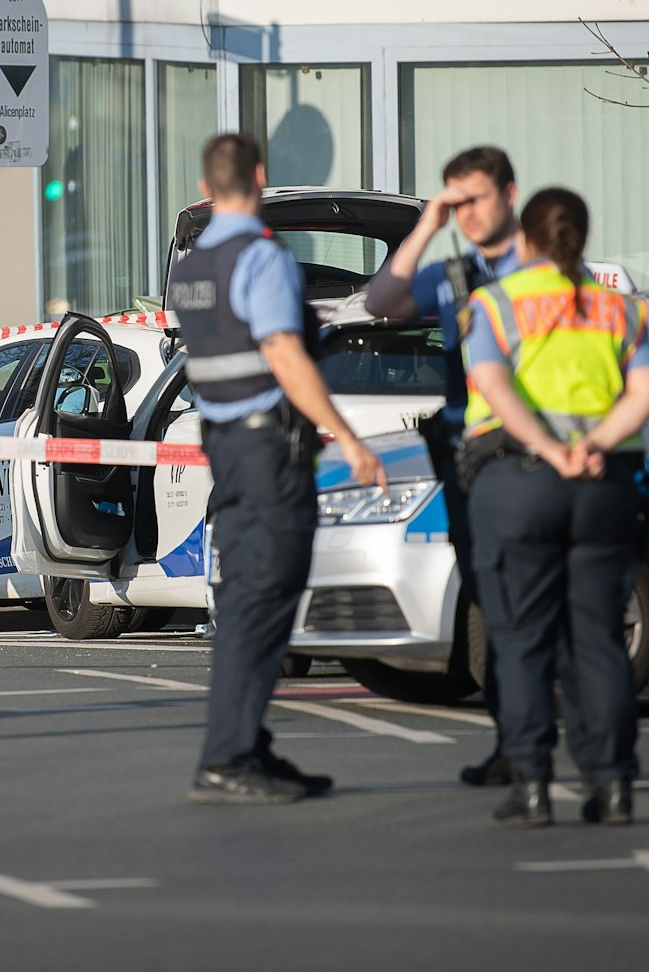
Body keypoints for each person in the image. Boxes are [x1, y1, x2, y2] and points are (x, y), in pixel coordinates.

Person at [167, 134, 386, 805]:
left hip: (227, 449)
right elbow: (283, 355)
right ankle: (229, 755)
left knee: (244, 597)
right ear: (259, 176)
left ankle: (246, 744)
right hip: (268, 452)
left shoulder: (194, 267)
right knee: (265, 596)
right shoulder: (261, 258)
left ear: (208, 185)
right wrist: (349, 437)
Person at [459, 187, 649, 827]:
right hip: (603, 487)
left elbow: (491, 384)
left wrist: (549, 446)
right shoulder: (621, 310)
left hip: (518, 485)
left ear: (524, 239)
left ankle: (532, 788)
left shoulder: (495, 304)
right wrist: (593, 442)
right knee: (598, 639)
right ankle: (613, 784)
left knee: (521, 641)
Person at [363, 145, 522, 787]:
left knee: (541, 602)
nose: (468, 215)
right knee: (492, 601)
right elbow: (382, 300)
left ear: (510, 194)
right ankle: (514, 743)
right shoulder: (456, 276)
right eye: (457, 204)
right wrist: (427, 224)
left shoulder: (545, 269)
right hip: (472, 459)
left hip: (536, 457)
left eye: (475, 199)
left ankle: (579, 751)